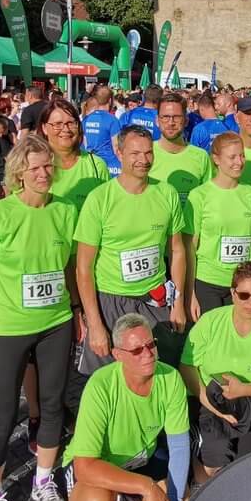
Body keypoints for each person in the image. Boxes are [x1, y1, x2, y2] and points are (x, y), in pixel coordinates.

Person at [0, 135, 79, 501]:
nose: (43, 173)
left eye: (48, 166)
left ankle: (44, 480)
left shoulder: (65, 211)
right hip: (8, 327)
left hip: (56, 322)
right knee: (0, 421)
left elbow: (68, 266)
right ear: (18, 174)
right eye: (34, 168)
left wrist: (78, 310)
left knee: (52, 407)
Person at [63, 314, 190, 501]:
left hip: (139, 460)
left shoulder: (169, 378)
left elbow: (180, 446)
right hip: (98, 466)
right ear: (118, 355)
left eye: (151, 345)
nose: (148, 354)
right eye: (137, 350)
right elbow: (85, 465)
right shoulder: (101, 386)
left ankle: (130, 500)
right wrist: (146, 487)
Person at [74, 125, 187, 374]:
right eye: (135, 153)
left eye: (148, 153)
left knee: (157, 374)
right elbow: (84, 267)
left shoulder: (166, 193)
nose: (143, 160)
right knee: (109, 379)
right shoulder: (100, 198)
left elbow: (177, 251)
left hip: (154, 300)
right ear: (119, 152)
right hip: (111, 301)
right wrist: (94, 323)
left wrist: (178, 302)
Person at [180, 261, 251, 479]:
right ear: (233, 293)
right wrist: (213, 406)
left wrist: (243, 390)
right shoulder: (211, 321)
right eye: (244, 295)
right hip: (212, 403)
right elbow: (187, 366)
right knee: (215, 468)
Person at [187, 132, 251, 318]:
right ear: (216, 159)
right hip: (208, 282)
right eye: (232, 157)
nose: (239, 162)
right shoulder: (199, 195)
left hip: (241, 284)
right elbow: (189, 247)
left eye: (242, 155)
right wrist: (190, 294)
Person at [43, 97, 111, 211]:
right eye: (58, 124)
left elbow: (107, 210)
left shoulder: (96, 166)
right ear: (44, 128)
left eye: (71, 123)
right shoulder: (33, 167)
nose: (66, 129)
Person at [150, 93, 211, 206]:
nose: (171, 122)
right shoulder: (146, 154)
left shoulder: (201, 156)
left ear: (186, 121)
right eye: (165, 117)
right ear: (157, 121)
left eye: (177, 117)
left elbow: (208, 199)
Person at [82, 85, 122, 175]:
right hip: (109, 163)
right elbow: (116, 146)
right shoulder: (112, 120)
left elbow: (85, 144)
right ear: (110, 100)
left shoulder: (86, 119)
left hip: (90, 162)